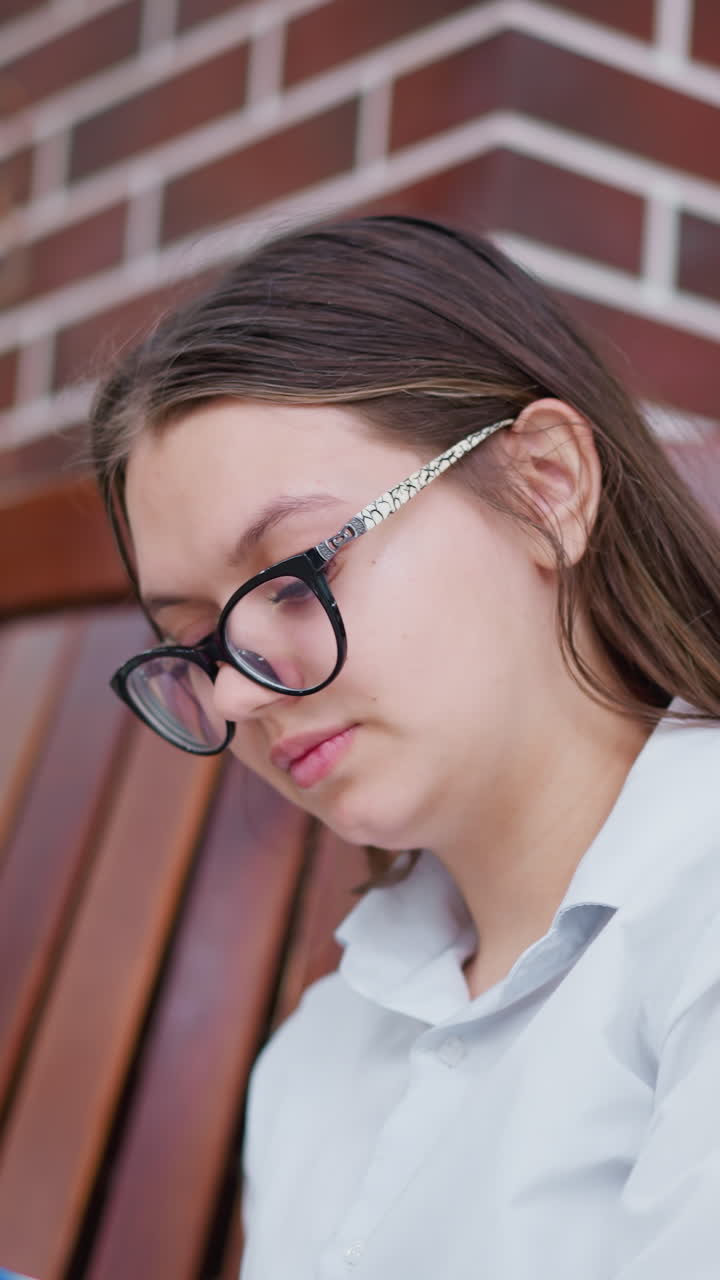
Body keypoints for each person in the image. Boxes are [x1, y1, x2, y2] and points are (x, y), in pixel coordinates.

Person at [90, 215, 720, 1279]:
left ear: (546, 485)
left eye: (296, 574)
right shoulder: (323, 1051)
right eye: (192, 642)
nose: (236, 689)